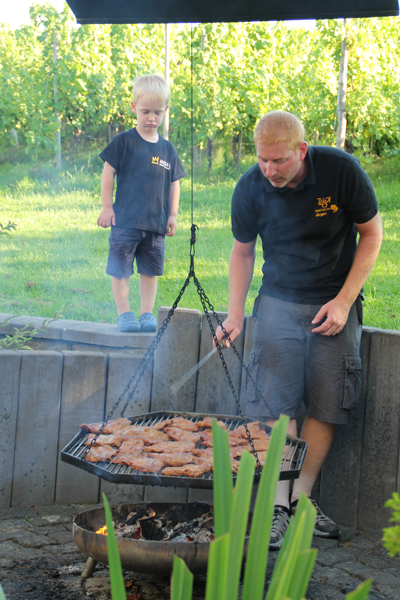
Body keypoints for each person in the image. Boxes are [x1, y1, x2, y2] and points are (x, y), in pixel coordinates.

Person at [215, 111, 382, 548]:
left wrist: (344, 302)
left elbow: (372, 234)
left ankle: (299, 500)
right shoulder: (250, 188)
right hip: (277, 302)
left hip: (333, 304)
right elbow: (242, 254)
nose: (269, 170)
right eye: (262, 160)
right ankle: (276, 504)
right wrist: (235, 315)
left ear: (301, 151)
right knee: (275, 403)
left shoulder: (340, 172)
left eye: (279, 161)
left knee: (328, 404)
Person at [97, 74, 186, 332]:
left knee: (150, 272)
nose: (151, 118)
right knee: (120, 270)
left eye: (157, 113)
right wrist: (106, 207)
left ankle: (147, 313)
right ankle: (124, 313)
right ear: (134, 108)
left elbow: (174, 184)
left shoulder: (168, 150)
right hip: (124, 221)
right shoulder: (124, 142)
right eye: (145, 111)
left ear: (166, 111)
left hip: (155, 225)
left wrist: (173, 215)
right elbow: (108, 173)